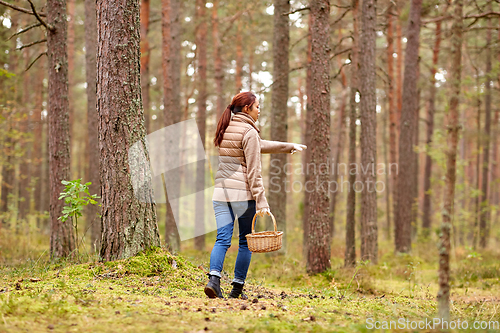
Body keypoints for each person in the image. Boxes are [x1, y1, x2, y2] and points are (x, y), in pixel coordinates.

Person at [205, 91, 307, 299]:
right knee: (245, 242)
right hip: (242, 195)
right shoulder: (249, 132)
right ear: (246, 108)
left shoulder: (226, 127)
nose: (259, 111)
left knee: (222, 239)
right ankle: (236, 289)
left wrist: (288, 147)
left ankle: (213, 280)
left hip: (221, 194)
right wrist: (262, 201)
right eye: (257, 107)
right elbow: (254, 171)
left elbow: (259, 145)